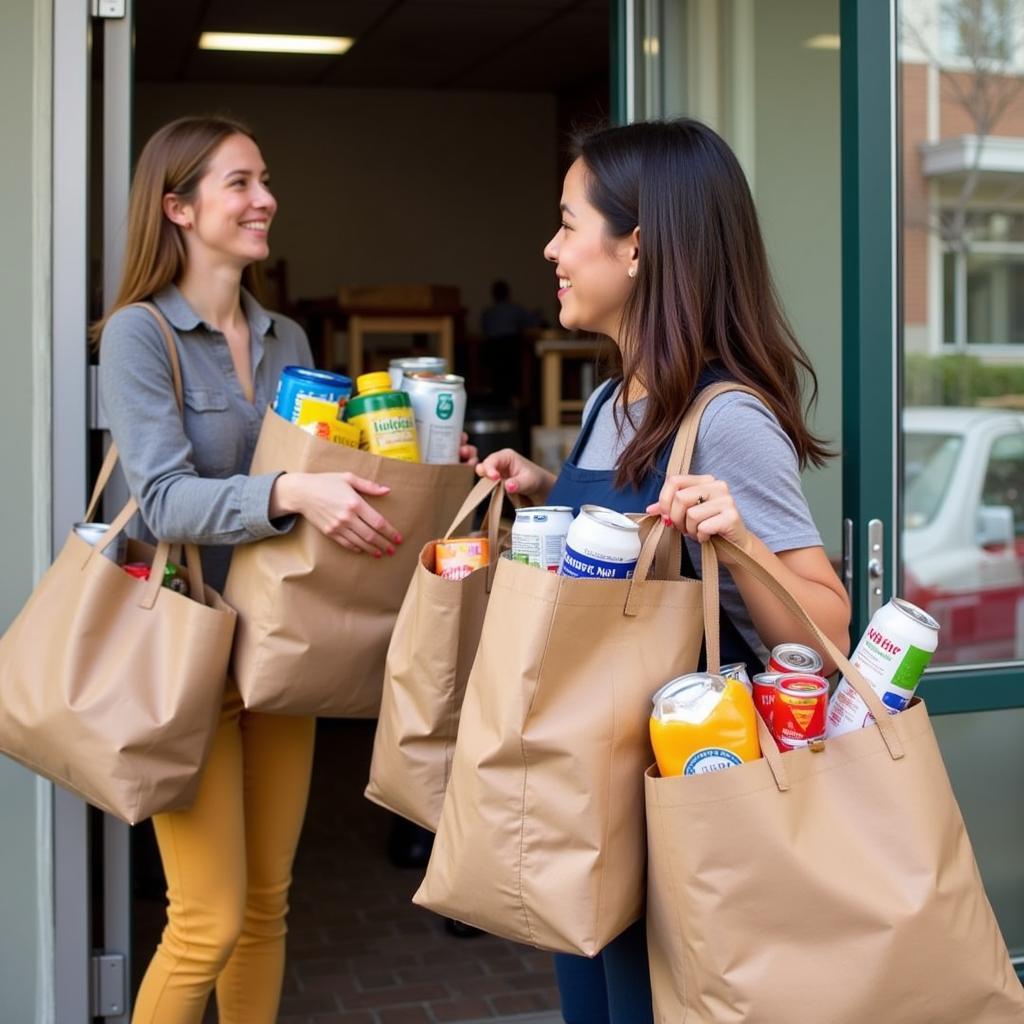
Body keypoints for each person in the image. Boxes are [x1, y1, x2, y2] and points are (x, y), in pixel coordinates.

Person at [476, 118, 851, 1024]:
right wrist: (541, 498)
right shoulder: (613, 398)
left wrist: (740, 537)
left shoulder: (724, 419)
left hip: (685, 813)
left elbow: (828, 626)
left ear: (638, 245)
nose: (550, 248)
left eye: (569, 224)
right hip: (593, 808)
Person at [94, 116, 413, 1024]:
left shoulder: (289, 341)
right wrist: (285, 494)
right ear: (178, 208)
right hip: (186, 653)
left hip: (281, 654)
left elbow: (323, 482)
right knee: (206, 920)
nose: (264, 198)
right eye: (239, 183)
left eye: (263, 179)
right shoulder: (139, 335)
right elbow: (161, 501)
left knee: (268, 909)